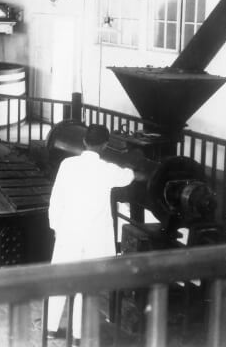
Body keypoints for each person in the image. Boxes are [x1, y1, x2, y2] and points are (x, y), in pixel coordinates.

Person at [47, 124, 137, 343]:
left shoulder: (67, 165)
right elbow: (129, 176)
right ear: (105, 145)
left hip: (69, 233)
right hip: (94, 237)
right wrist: (130, 160)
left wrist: (56, 227)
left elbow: (56, 200)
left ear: (84, 141)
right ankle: (78, 334)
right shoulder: (108, 170)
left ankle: (50, 327)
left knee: (59, 279)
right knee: (86, 285)